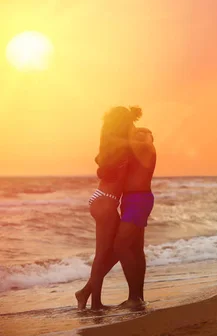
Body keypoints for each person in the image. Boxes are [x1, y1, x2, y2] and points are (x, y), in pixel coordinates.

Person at [75, 106, 142, 310]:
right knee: (104, 253)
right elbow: (138, 145)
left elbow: (101, 162)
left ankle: (87, 293)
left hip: (103, 199)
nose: (133, 126)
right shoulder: (122, 145)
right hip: (106, 201)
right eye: (129, 123)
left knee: (112, 250)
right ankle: (94, 303)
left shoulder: (109, 142)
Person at [114, 127, 157, 307]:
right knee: (136, 249)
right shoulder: (135, 152)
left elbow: (137, 140)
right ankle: (138, 297)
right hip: (131, 200)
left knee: (120, 245)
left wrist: (122, 135)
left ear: (150, 137)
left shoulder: (148, 148)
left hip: (138, 200)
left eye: (142, 133)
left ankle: (134, 297)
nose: (138, 135)